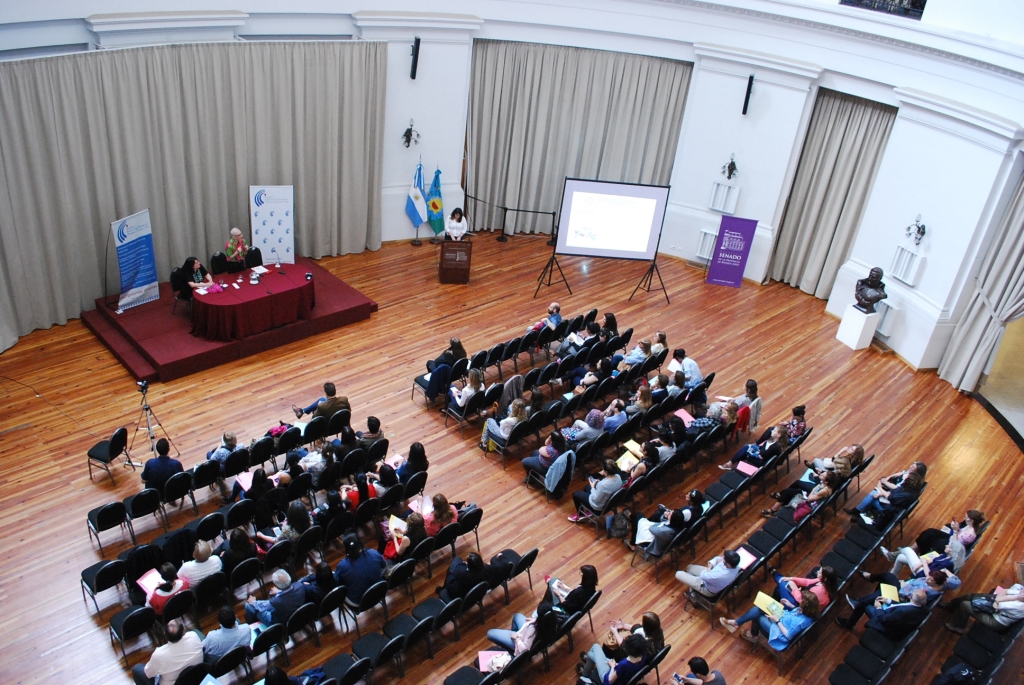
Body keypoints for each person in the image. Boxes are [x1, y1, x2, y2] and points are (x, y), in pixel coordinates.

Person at [835, 569, 958, 630]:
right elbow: (956, 582)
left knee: (883, 587)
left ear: (936, 583)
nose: (927, 579)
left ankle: (851, 619)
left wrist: (903, 586)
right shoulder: (944, 583)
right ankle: (870, 582)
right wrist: (947, 571)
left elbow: (910, 596)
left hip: (901, 597)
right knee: (888, 577)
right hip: (903, 589)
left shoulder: (927, 592)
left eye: (930, 580)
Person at [721, 591, 819, 649]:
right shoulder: (807, 612)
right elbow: (796, 613)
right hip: (783, 618)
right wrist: (791, 606)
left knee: (757, 614)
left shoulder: (800, 622)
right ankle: (738, 624)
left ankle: (740, 626)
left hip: (780, 633)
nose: (799, 602)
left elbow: (788, 636)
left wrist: (777, 621)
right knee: (761, 607)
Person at [628, 490, 705, 556]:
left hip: (654, 542)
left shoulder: (669, 529)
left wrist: (666, 515)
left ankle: (632, 543)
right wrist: (666, 516)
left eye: (688, 496)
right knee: (657, 514)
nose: (686, 495)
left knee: (638, 516)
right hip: (662, 531)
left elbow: (652, 528)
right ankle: (633, 520)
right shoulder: (699, 509)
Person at [131, 619, 202, 685]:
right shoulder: (194, 636)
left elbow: (148, 673)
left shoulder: (158, 655)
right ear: (183, 632)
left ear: (165, 634)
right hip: (196, 678)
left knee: (137, 669)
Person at [486, 600, 561, 656]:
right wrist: (535, 620)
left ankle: (511, 651)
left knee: (490, 633)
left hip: (520, 642)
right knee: (517, 616)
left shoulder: (533, 630)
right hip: (529, 632)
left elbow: (525, 649)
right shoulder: (553, 621)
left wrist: (517, 639)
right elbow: (543, 622)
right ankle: (510, 643)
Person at [946, 585, 1024, 634]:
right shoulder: (1021, 593)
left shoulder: (1019, 606)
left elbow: (996, 605)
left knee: (965, 605)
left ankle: (958, 626)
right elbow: (1004, 591)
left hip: (996, 621)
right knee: (969, 596)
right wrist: (999, 599)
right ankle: (952, 606)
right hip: (994, 608)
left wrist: (1015, 597)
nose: (1021, 591)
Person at [845, 470, 925, 519]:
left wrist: (880, 488)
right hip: (893, 503)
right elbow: (894, 492)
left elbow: (891, 498)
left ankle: (858, 511)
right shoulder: (910, 489)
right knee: (875, 495)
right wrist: (880, 494)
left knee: (872, 495)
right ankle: (859, 512)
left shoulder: (905, 494)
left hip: (889, 510)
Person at [333, 534, 386, 605]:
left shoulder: (342, 566)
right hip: (380, 592)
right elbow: (384, 565)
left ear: (346, 549)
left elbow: (336, 582)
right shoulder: (373, 553)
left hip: (359, 602)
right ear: (360, 543)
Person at [762, 470, 838, 518]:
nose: (820, 475)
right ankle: (775, 509)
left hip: (809, 505)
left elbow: (810, 499)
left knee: (789, 492)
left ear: (826, 481)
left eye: (822, 475)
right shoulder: (825, 484)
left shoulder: (825, 490)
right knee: (789, 491)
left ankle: (773, 510)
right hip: (809, 498)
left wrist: (813, 490)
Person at [580, 632, 647, 684]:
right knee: (591, 655)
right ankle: (589, 663)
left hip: (607, 677)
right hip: (624, 674)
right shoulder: (643, 655)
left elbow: (610, 680)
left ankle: (585, 674)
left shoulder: (624, 664)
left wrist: (612, 666)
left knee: (595, 647)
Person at [911, 509, 984, 555]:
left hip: (952, 546)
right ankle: (913, 549)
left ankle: (919, 554)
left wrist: (955, 530)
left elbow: (956, 545)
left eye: (966, 518)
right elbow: (960, 533)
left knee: (936, 542)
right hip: (952, 538)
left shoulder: (970, 535)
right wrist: (957, 528)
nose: (965, 519)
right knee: (930, 532)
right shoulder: (968, 526)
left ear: (972, 521)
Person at [599, 611, 664, 661]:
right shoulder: (658, 632)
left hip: (633, 658)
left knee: (608, 646)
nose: (641, 623)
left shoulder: (642, 643)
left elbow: (624, 647)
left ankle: (605, 664)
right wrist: (624, 626)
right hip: (647, 657)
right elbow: (639, 627)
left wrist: (615, 632)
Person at [883, 538, 965, 577]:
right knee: (901, 557)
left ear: (952, 551)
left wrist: (924, 563)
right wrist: (920, 563)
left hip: (923, 574)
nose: (946, 545)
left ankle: (891, 556)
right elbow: (931, 560)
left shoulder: (948, 564)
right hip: (921, 567)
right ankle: (891, 576)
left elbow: (930, 575)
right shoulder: (945, 555)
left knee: (907, 549)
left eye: (949, 546)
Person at [438, 552, 505, 601]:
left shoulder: (462, 572)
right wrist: (500, 557)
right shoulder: (487, 569)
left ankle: (444, 588)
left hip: (456, 593)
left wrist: (461, 562)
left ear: (469, 566)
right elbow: (503, 567)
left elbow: (456, 561)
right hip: (473, 593)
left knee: (451, 570)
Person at [720, 424, 788, 470]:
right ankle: (732, 464)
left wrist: (761, 453)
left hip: (761, 462)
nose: (772, 431)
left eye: (774, 430)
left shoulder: (775, 446)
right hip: (761, 456)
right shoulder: (774, 440)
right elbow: (763, 450)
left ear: (779, 435)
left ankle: (731, 464)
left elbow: (763, 454)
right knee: (746, 447)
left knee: (745, 451)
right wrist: (761, 452)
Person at [675, 549, 741, 597]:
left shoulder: (721, 575)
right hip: (710, 574)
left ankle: (693, 597)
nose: (722, 557)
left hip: (706, 587)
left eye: (724, 558)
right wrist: (710, 568)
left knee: (678, 574)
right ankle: (692, 588)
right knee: (689, 567)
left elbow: (703, 576)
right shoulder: (735, 565)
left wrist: (709, 568)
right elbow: (717, 558)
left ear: (728, 564)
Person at [771, 566, 838, 609]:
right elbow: (807, 582)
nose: (817, 572)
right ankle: (773, 572)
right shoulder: (824, 583)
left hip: (798, 606)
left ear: (825, 579)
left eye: (820, 573)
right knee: (780, 587)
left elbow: (802, 600)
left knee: (782, 583)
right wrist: (791, 578)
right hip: (802, 598)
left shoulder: (819, 592)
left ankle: (773, 572)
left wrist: (794, 588)